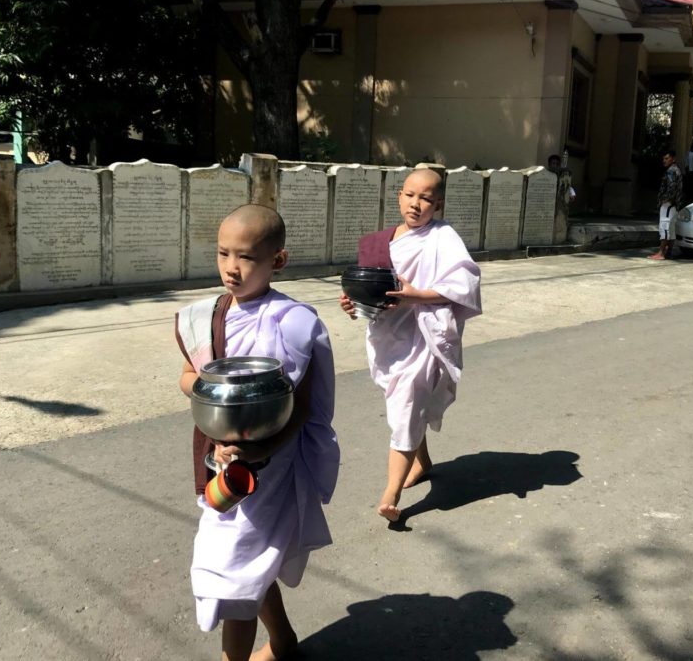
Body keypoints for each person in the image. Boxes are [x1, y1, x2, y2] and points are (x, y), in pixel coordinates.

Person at [175, 204, 340, 661]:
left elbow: (303, 406)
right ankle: (283, 640)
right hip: (220, 459)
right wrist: (210, 385)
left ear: (278, 261)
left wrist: (262, 447)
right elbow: (187, 376)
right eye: (223, 253)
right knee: (246, 564)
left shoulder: (294, 323)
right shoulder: (206, 316)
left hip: (268, 466)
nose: (232, 267)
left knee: (234, 571)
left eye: (246, 257)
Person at [339, 168, 482, 522]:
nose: (416, 204)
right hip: (389, 336)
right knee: (408, 404)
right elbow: (372, 291)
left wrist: (414, 296)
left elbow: (465, 285)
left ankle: (391, 493)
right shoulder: (382, 241)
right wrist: (354, 304)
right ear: (399, 196)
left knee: (405, 407)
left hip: (423, 335)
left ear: (438, 204)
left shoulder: (443, 237)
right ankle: (424, 461)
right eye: (410, 195)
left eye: (426, 199)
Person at [651, 150, 684, 261]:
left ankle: (661, 253)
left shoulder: (671, 171)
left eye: (666, 158)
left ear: (673, 159)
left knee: (664, 227)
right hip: (675, 204)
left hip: (669, 204)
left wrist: (666, 199)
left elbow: (671, 186)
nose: (664, 161)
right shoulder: (677, 170)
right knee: (671, 228)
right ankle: (669, 252)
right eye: (664, 158)